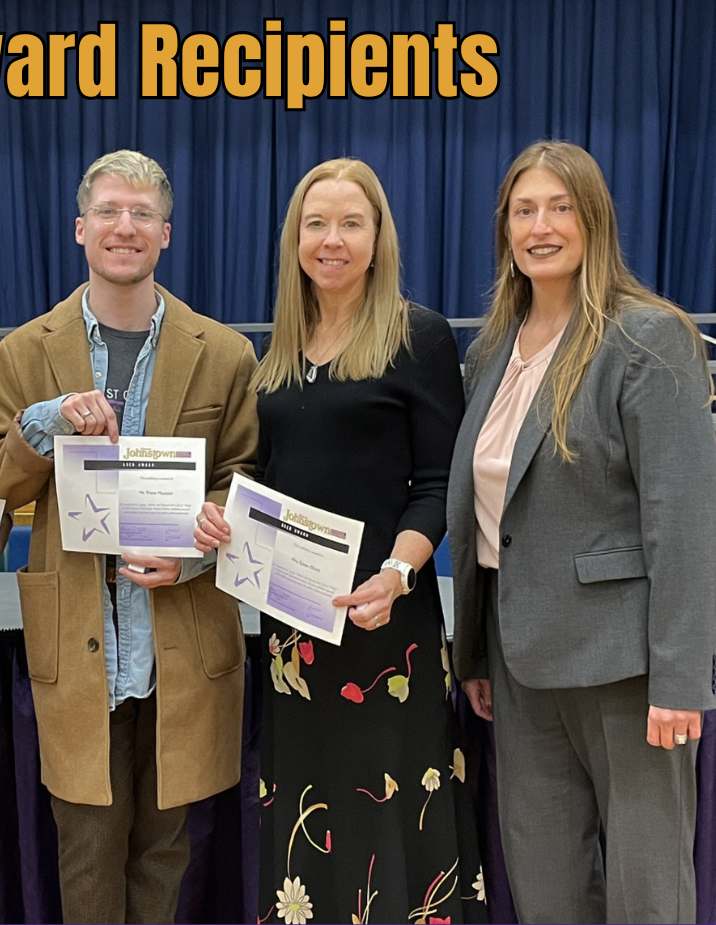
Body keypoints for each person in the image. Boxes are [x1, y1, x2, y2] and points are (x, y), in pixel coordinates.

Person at [0, 150, 259, 924]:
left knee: (166, 856)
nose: (123, 227)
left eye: (140, 214)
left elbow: (244, 476)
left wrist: (197, 547)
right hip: (79, 648)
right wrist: (46, 422)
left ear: (165, 232)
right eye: (108, 211)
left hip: (181, 647)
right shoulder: (27, 351)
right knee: (87, 856)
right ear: (79, 229)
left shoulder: (225, 353)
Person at [195, 158, 485, 924]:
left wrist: (395, 572)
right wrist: (221, 513)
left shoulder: (416, 336)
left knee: (391, 812)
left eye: (351, 223)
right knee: (304, 817)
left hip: (387, 628)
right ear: (295, 239)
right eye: (316, 223)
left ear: (378, 236)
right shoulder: (282, 350)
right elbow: (262, 473)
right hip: (296, 630)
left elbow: (438, 484)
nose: (332, 239)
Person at [447, 140, 716, 923]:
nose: (541, 226)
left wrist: (679, 677)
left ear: (593, 218)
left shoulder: (648, 337)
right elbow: (487, 517)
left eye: (560, 207)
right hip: (519, 667)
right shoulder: (492, 350)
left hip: (627, 668)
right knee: (546, 888)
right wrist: (474, 652)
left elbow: (685, 519)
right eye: (524, 210)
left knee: (646, 891)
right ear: (505, 229)